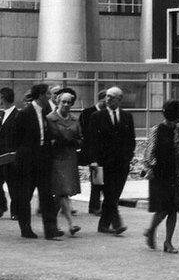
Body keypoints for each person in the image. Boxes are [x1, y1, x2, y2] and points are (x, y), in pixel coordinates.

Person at [9, 83, 63, 240]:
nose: (49, 97)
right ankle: (26, 228)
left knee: (46, 196)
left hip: (43, 161)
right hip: (27, 161)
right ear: (40, 95)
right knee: (25, 196)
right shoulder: (25, 113)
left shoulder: (47, 111)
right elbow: (16, 138)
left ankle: (50, 230)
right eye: (47, 94)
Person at [86, 87, 136, 236]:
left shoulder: (127, 117)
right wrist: (93, 161)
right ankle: (117, 223)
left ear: (119, 99)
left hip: (121, 163)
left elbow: (131, 139)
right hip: (101, 163)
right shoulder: (97, 116)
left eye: (112, 97)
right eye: (107, 96)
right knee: (108, 193)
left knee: (114, 194)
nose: (108, 99)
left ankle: (103, 225)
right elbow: (91, 141)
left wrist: (128, 156)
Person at [142, 100, 179, 253]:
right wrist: (151, 167)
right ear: (175, 114)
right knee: (163, 209)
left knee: (173, 209)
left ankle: (168, 242)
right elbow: (149, 153)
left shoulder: (178, 132)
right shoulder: (157, 130)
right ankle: (151, 230)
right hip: (159, 175)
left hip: (174, 174)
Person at [46, 90, 82, 236]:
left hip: (70, 158)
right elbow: (47, 138)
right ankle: (71, 224)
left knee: (60, 193)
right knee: (62, 192)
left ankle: (51, 224)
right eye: (63, 102)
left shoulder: (75, 120)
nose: (66, 105)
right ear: (57, 102)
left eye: (69, 102)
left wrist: (74, 142)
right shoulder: (50, 118)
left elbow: (80, 138)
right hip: (56, 159)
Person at [0, 87, 19, 219]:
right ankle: (1, 206)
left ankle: (15, 211)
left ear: (3, 98)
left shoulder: (18, 115)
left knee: (13, 185)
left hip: (10, 157)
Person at [79, 90, 107, 215]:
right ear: (101, 100)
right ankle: (94, 206)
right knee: (97, 179)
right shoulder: (87, 113)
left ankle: (96, 205)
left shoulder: (107, 113)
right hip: (93, 151)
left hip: (105, 152)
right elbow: (84, 134)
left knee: (102, 179)